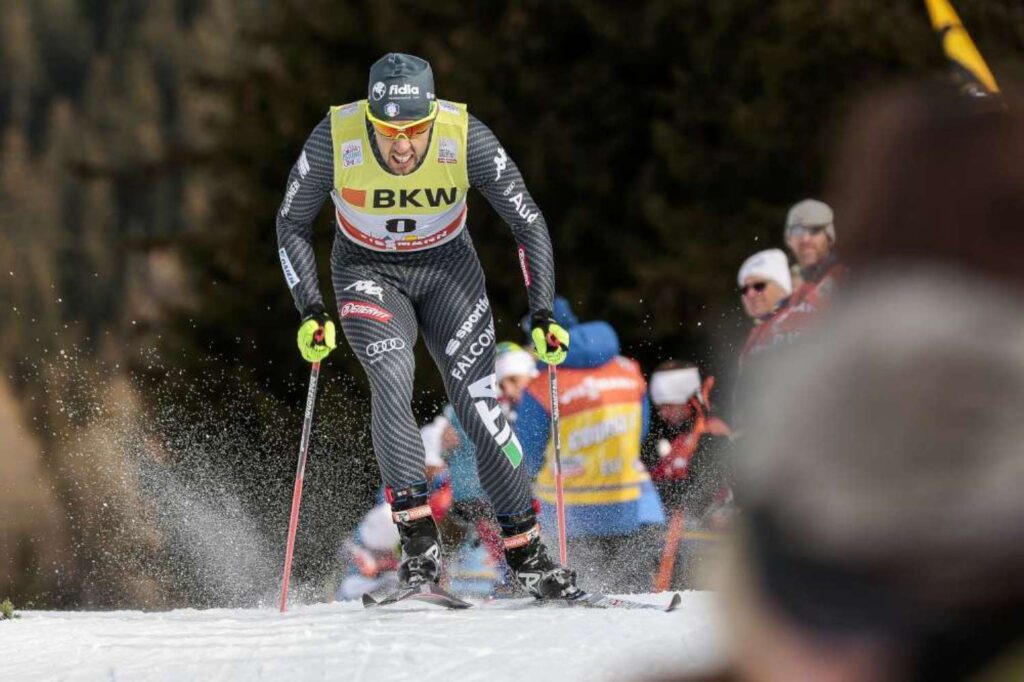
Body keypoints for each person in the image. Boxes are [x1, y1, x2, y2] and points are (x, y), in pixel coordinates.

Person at [275, 52, 579, 599]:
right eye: (388, 131)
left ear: (432, 117)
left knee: (480, 406)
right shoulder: (335, 136)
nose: (400, 145)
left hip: (448, 274)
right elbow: (292, 221)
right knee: (392, 379)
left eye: (414, 131)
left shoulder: (465, 136)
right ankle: (417, 547)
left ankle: (527, 553)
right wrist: (311, 309)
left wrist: (543, 311)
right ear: (369, 118)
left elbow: (527, 220)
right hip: (367, 273)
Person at [516, 301, 665, 593]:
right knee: (628, 596)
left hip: (565, 514)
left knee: (577, 605)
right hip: (625, 503)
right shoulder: (627, 369)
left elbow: (526, 453)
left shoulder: (544, 383)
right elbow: (641, 432)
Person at [643, 361, 733, 589]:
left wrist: (661, 493)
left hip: (705, 548)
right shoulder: (681, 437)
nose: (662, 413)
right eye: (659, 407)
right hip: (678, 545)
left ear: (687, 401)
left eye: (668, 406)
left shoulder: (713, 433)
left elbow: (702, 492)